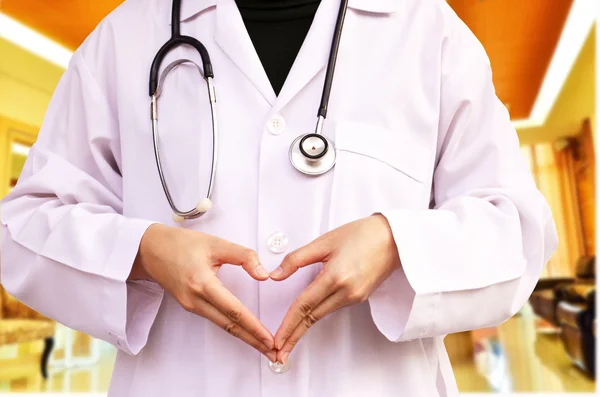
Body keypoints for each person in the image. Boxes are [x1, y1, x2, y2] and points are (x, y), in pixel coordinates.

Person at [0, 0, 557, 396]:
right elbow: (25, 226)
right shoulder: (124, 37)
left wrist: (395, 243)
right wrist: (143, 251)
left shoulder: (428, 31)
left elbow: (516, 228)